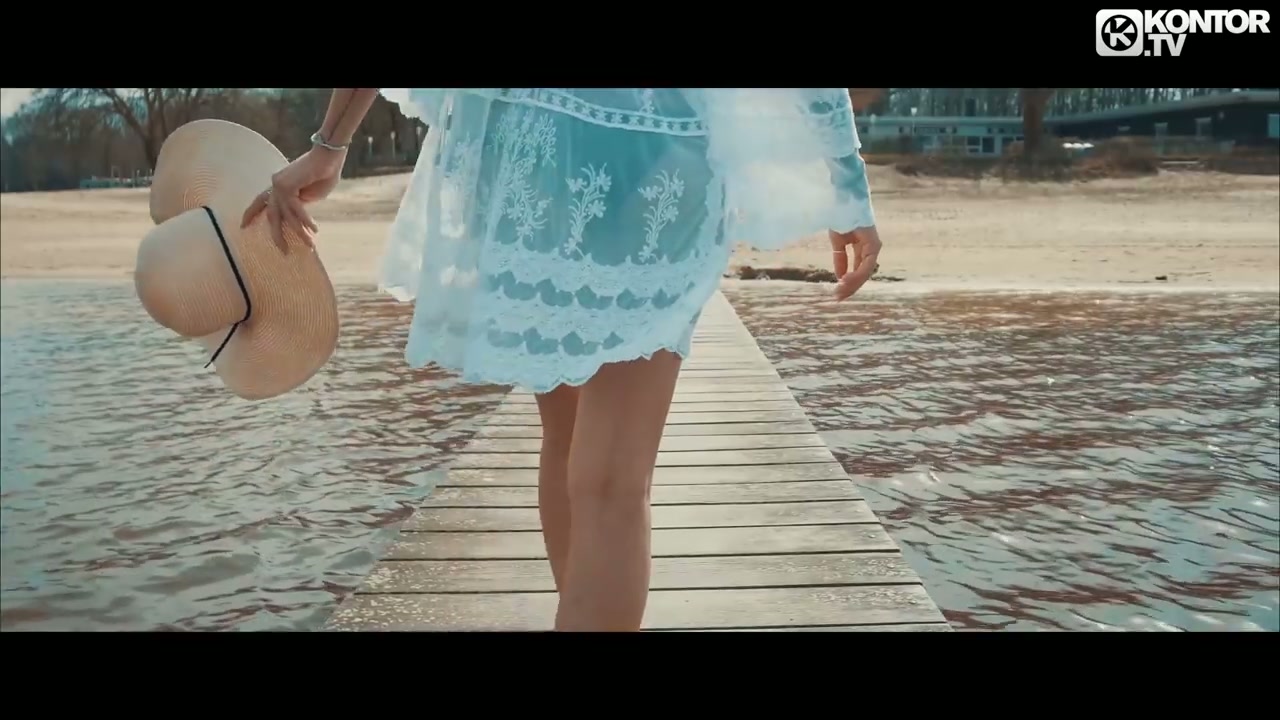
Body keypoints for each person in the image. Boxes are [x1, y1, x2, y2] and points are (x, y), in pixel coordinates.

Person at [241, 88, 883, 632]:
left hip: (532, 145)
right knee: (605, 477)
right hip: (644, 144)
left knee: (575, 447)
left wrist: (331, 141)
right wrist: (846, 182)